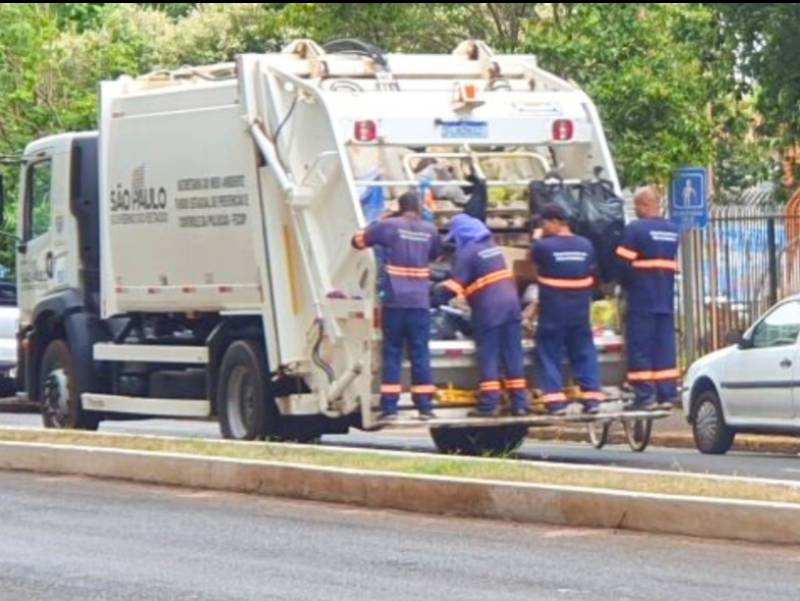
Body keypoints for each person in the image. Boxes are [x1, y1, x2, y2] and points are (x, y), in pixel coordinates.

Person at [352, 191, 442, 421]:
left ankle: (390, 409)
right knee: (420, 353)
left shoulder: (390, 226)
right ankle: (425, 407)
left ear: (400, 207)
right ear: (419, 207)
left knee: (392, 353)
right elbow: (436, 254)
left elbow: (358, 241)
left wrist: (382, 221)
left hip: (394, 302)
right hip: (420, 302)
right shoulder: (429, 230)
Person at [437, 214, 529, 417]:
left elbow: (453, 287)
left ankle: (489, 405)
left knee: (489, 356)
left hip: (489, 310)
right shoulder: (493, 248)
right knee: (513, 355)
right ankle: (519, 403)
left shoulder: (468, 252)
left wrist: (432, 297)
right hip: (512, 308)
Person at [531, 204, 604, 415]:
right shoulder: (586, 245)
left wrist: (536, 238)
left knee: (548, 353)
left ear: (555, 222)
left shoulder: (543, 246)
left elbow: (531, 263)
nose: (541, 227)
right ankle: (592, 399)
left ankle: (555, 402)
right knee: (583, 352)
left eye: (543, 223)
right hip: (580, 312)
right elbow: (592, 272)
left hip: (553, 312)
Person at [615, 186, 681, 411]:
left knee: (640, 348)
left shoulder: (635, 230)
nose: (635, 210)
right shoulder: (672, 231)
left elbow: (622, 267)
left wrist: (625, 286)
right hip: (665, 300)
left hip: (642, 300)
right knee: (664, 349)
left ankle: (645, 396)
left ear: (644, 205)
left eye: (636, 206)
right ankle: (666, 394)